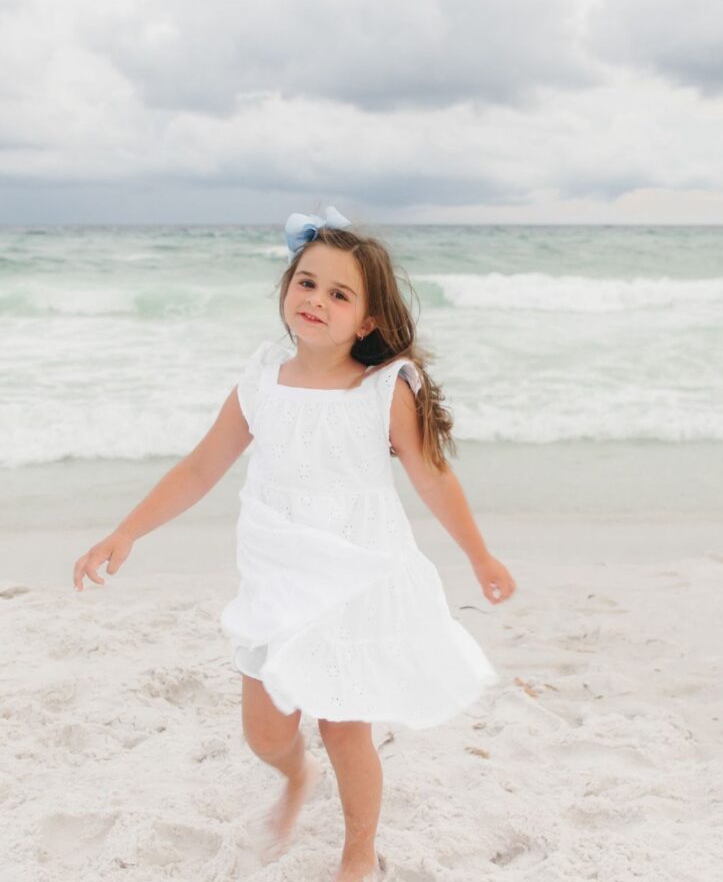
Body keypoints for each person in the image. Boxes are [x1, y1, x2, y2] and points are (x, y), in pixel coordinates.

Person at [73, 206, 517, 882]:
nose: (316, 300)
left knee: (346, 727)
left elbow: (433, 476)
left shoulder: (382, 390)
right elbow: (198, 469)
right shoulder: (259, 382)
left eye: (339, 294)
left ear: (366, 321)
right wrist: (126, 530)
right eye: (306, 282)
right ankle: (293, 775)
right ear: (286, 288)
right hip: (278, 577)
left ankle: (358, 849)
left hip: (356, 578)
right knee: (266, 733)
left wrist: (478, 555)